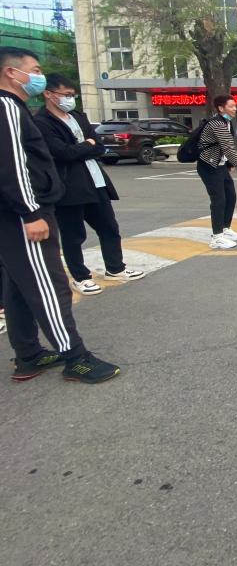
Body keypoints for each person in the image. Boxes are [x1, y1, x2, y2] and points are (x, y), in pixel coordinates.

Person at [0, 46, 119, 383]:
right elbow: (13, 166)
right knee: (49, 285)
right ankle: (76, 358)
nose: (39, 76)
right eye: (35, 70)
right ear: (12, 72)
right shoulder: (7, 107)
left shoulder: (16, 108)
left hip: (16, 213)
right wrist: (30, 212)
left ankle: (29, 354)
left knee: (18, 287)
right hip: (24, 214)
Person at [35, 74, 145, 296]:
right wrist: (87, 145)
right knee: (73, 235)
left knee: (109, 227)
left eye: (72, 95)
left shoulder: (78, 116)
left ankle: (115, 268)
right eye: (66, 95)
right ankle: (80, 277)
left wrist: (85, 146)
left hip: (96, 181)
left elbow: (99, 146)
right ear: (49, 94)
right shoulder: (41, 122)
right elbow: (62, 153)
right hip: (69, 186)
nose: (70, 99)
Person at [198, 95, 237, 250]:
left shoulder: (226, 122)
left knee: (230, 196)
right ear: (221, 108)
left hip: (220, 165)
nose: (235, 109)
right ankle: (217, 238)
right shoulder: (217, 123)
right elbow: (228, 149)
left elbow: (225, 149)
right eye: (231, 106)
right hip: (209, 166)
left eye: (235, 106)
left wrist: (229, 164)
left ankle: (225, 229)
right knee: (219, 200)